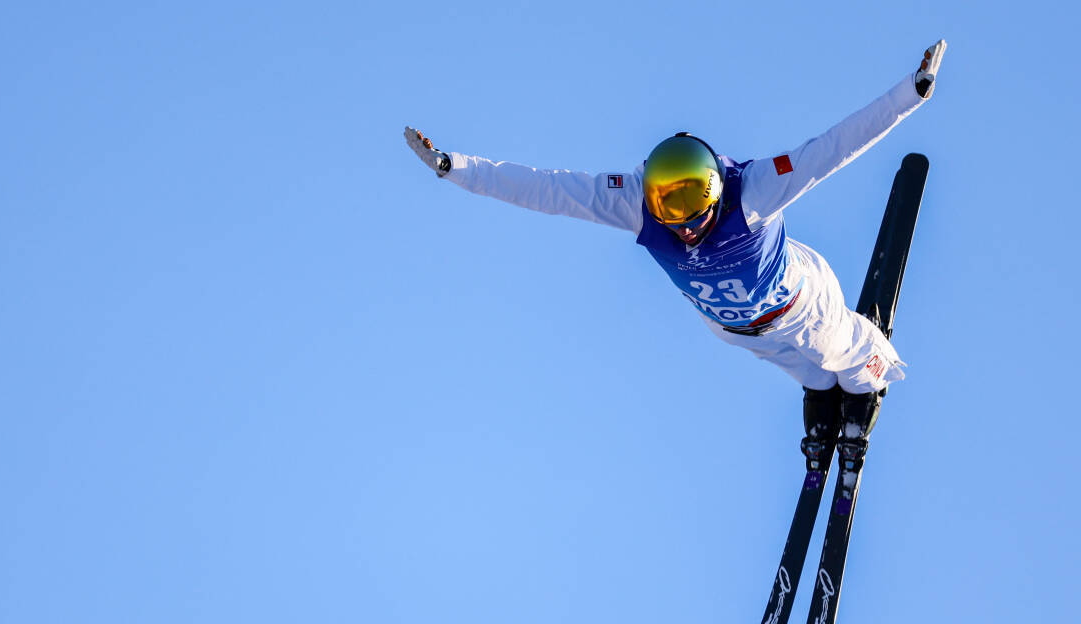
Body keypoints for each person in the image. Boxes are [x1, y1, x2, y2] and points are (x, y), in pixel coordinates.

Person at [404, 41, 946, 468]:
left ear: (715, 194)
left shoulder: (754, 190)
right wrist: (456, 168)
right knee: (806, 373)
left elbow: (833, 148)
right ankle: (822, 400)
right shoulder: (633, 201)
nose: (687, 231)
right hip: (735, 328)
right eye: (672, 218)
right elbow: (546, 189)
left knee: (842, 356)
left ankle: (866, 382)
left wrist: (910, 93)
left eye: (696, 218)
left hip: (801, 304)